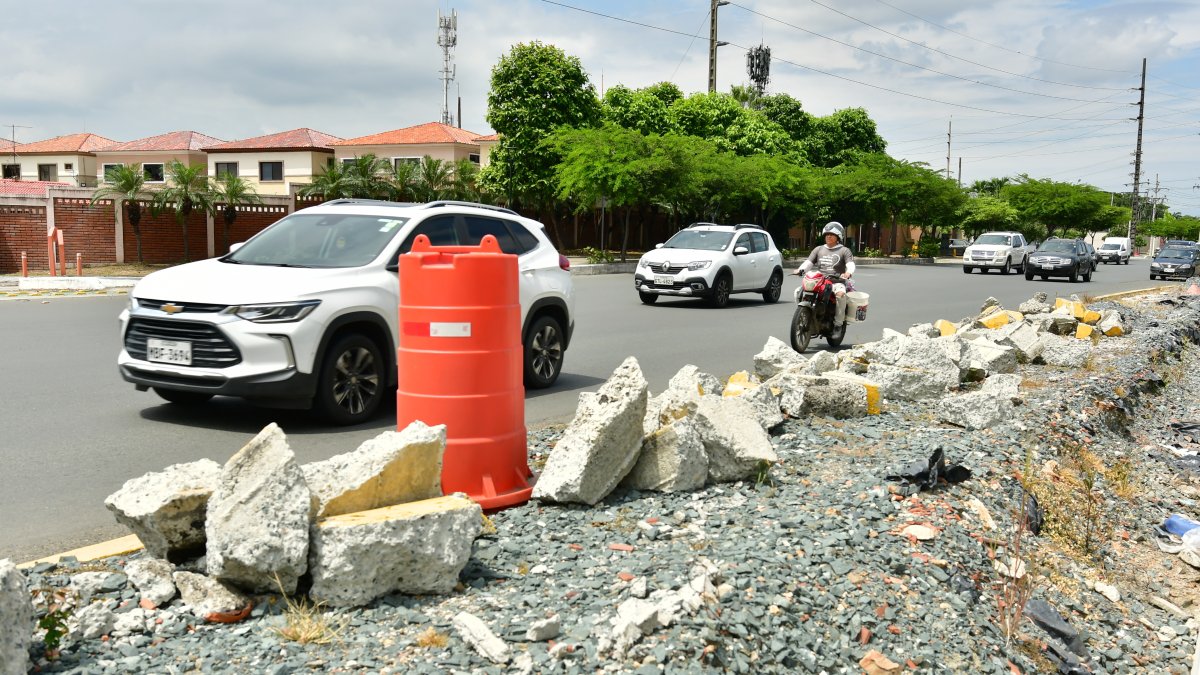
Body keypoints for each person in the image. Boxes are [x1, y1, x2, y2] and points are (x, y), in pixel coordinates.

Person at [792, 221, 856, 327]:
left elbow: (850, 264)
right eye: (827, 234)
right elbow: (808, 263)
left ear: (838, 236)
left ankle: (838, 324)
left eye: (831, 235)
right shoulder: (819, 249)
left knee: (841, 295)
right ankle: (803, 314)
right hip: (820, 281)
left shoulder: (844, 250)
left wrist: (848, 272)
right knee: (798, 291)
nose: (828, 236)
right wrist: (800, 270)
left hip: (836, 282)